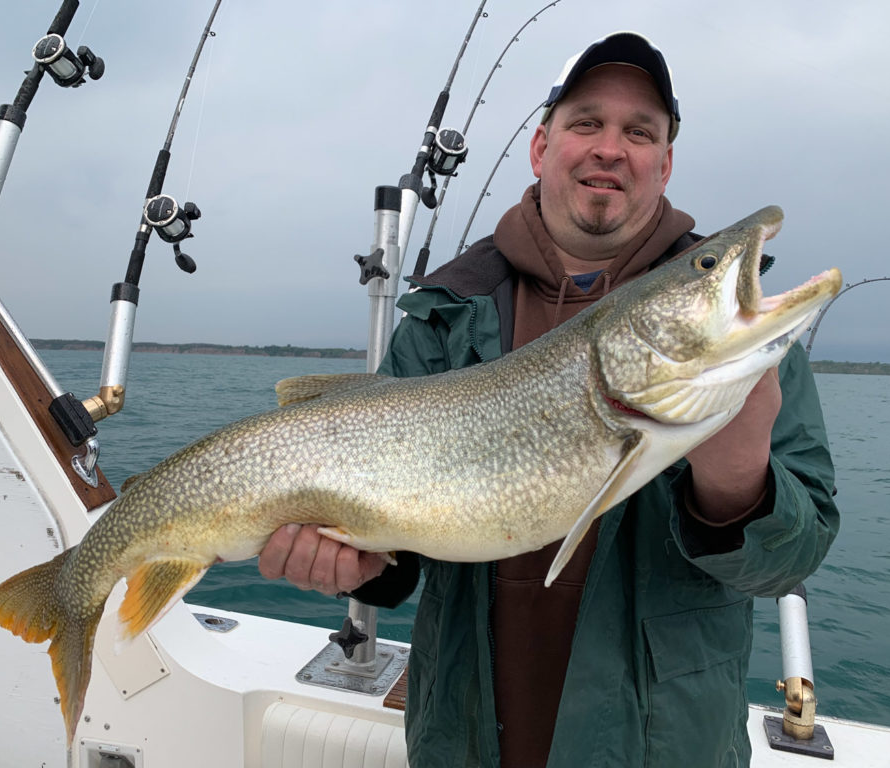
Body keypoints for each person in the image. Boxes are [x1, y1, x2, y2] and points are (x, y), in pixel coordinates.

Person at [258, 32, 839, 768]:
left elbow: (793, 559)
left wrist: (736, 486)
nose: (610, 148)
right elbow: (400, 554)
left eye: (640, 132)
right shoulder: (444, 313)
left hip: (661, 748)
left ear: (665, 164)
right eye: (586, 122)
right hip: (462, 741)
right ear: (541, 147)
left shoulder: (741, 345)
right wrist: (354, 562)